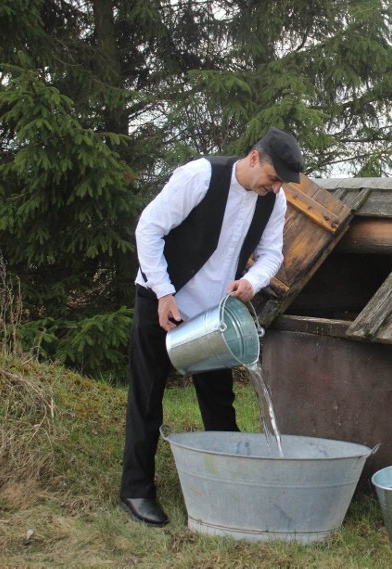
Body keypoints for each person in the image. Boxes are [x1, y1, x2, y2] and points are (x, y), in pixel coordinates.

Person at [119, 127, 304, 527]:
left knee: (219, 403)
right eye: (273, 178)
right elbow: (148, 229)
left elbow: (273, 254)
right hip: (160, 298)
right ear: (254, 158)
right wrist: (164, 293)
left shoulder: (274, 200)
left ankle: (232, 485)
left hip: (214, 315)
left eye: (280, 184)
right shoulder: (199, 176)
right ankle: (135, 490)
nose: (274, 188)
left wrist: (251, 283)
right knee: (147, 396)